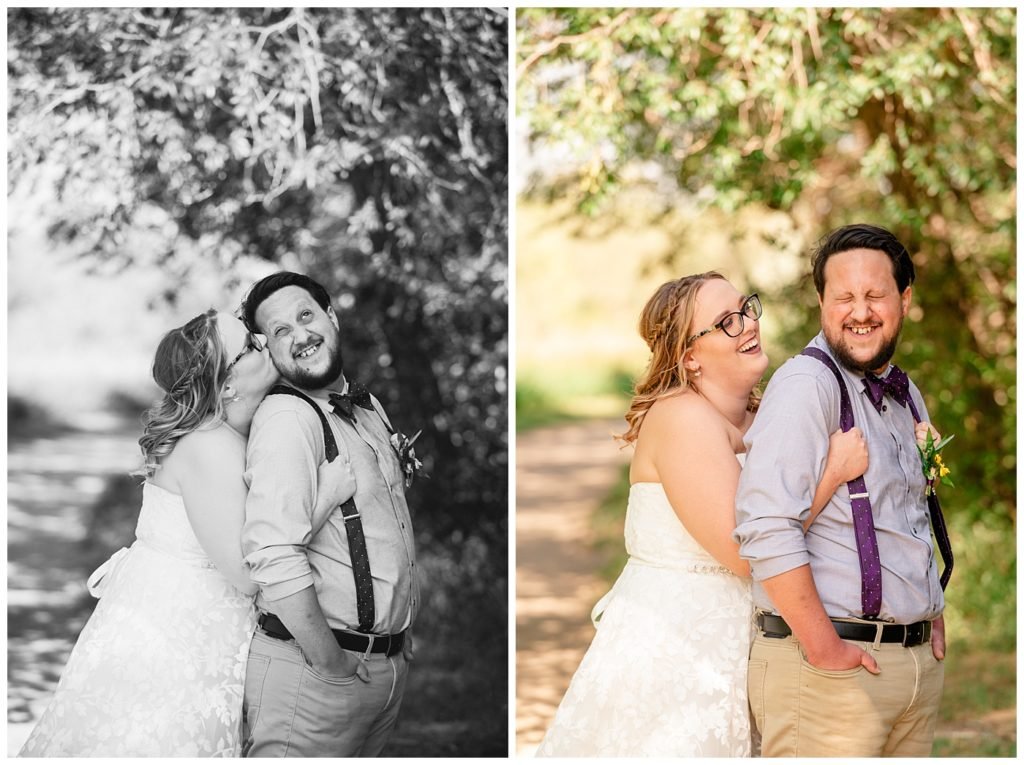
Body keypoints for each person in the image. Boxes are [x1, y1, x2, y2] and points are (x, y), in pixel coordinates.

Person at [535, 272, 868, 757]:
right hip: (680, 649)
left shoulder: (763, 416)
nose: (748, 325)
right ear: (689, 356)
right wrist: (832, 472)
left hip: (752, 638)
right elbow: (744, 550)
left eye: (746, 309)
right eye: (726, 322)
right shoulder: (679, 418)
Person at [19, 309, 277, 756]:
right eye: (251, 344)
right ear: (227, 384)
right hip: (178, 637)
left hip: (155, 609)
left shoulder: (214, 436)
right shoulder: (211, 445)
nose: (264, 340)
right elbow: (247, 576)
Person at [733, 224, 948, 757]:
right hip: (828, 673)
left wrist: (929, 613)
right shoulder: (807, 387)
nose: (860, 312)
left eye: (875, 295)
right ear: (822, 302)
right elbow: (765, 526)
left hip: (914, 671)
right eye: (844, 297)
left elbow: (908, 515)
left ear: (904, 299)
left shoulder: (904, 391)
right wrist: (826, 650)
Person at [238, 272, 417, 757]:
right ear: (270, 351)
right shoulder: (287, 420)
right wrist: (331, 662)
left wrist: (397, 634)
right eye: (280, 332)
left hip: (382, 669)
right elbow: (273, 553)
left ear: (331, 316)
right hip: (316, 674)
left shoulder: (368, 407)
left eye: (305, 316)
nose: (300, 336)